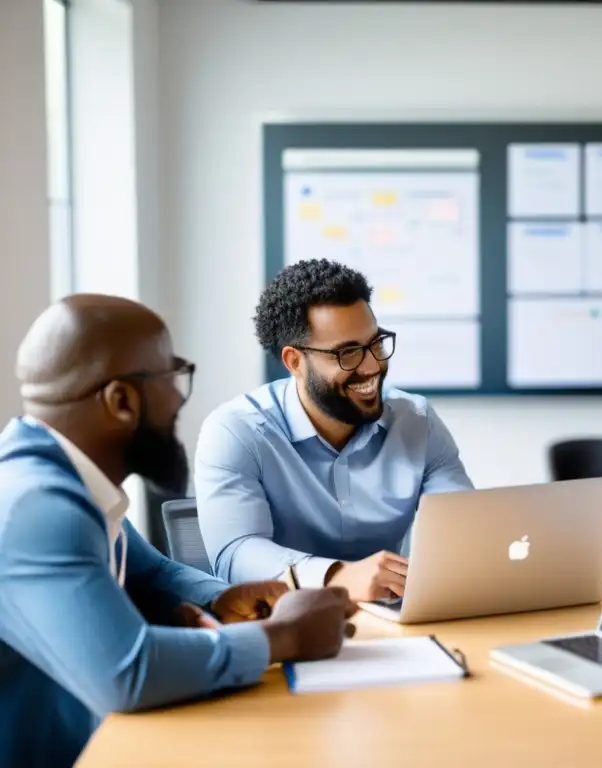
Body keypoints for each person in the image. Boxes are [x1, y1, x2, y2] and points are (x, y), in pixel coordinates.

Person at [0, 294, 358, 768]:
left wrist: (221, 600)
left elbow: (150, 572)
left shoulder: (61, 482)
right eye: (172, 376)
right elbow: (129, 673)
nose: (178, 399)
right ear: (122, 401)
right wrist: (285, 636)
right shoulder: (37, 507)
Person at [194, 259, 473, 602]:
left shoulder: (416, 421)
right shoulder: (237, 431)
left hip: (394, 625)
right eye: (348, 354)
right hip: (285, 627)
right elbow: (235, 553)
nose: (372, 365)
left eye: (376, 343)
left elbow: (462, 526)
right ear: (294, 361)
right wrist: (336, 576)